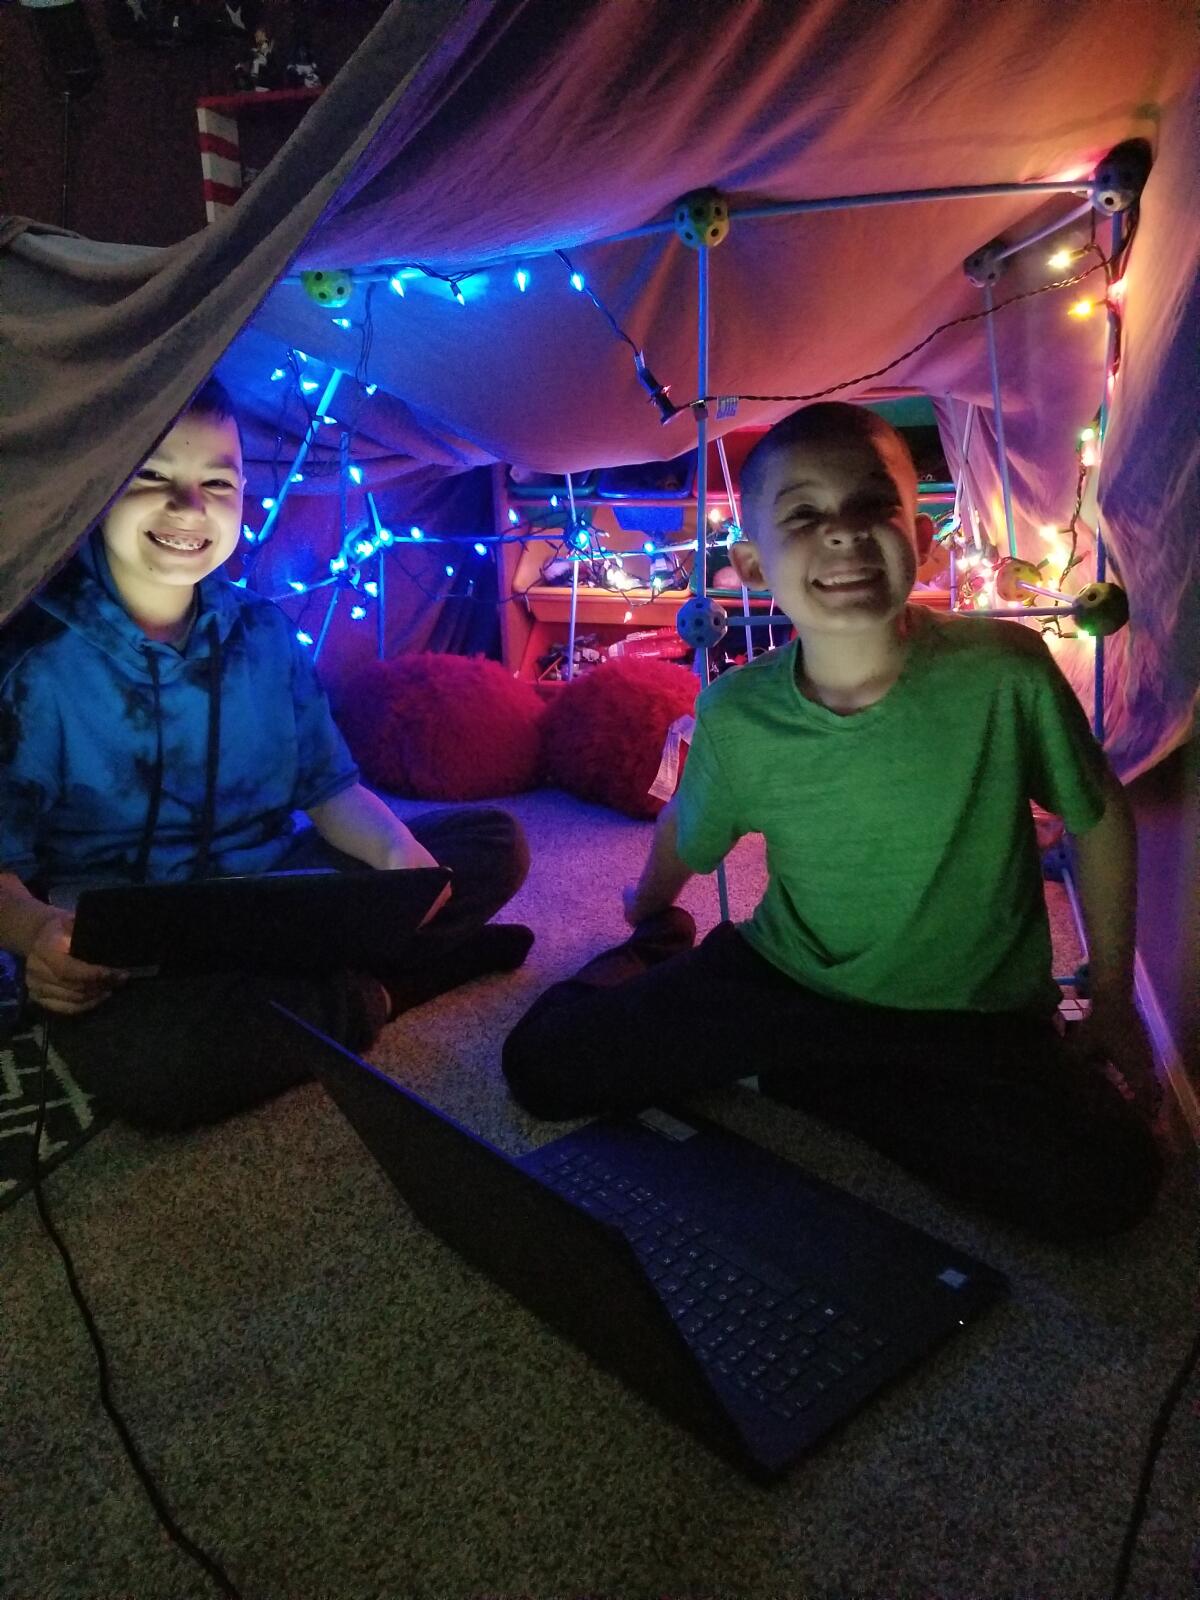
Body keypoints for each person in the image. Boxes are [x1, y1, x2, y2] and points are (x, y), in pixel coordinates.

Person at [503, 402, 1163, 1243]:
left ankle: (800, 1078)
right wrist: (643, 909)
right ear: (750, 563)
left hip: (970, 1017)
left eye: (871, 507)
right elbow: (688, 833)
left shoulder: (1005, 671)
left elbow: (1098, 816)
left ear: (921, 539)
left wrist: (1109, 995)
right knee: (540, 1066)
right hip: (784, 981)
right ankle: (791, 1055)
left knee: (1107, 1189)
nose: (844, 535)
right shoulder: (738, 712)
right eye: (804, 517)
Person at [0, 379, 531, 1131]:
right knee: (160, 1079)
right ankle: (384, 991)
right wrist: (35, 938)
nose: (190, 508)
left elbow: (331, 792)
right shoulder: (35, 662)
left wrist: (397, 856)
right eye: (153, 476)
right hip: (131, 944)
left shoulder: (263, 632)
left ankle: (329, 986)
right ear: (102, 481)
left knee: (492, 844)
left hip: (275, 896)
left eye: (217, 482)